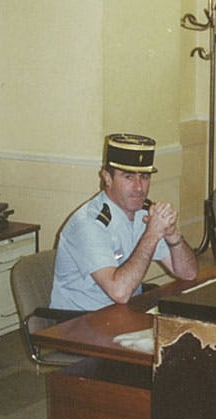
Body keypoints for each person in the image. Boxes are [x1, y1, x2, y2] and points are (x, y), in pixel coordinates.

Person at [51, 133, 198, 311]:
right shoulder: (89, 224)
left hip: (123, 314)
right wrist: (151, 234)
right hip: (79, 323)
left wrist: (173, 236)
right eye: (128, 177)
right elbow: (119, 292)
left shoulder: (143, 213)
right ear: (107, 177)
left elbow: (188, 274)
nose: (138, 187)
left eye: (144, 177)